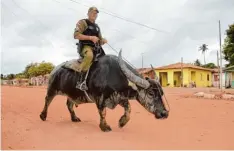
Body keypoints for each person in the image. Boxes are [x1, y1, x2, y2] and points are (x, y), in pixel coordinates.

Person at [73, 6, 107, 90]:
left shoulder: (97, 27)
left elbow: (99, 40)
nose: (94, 15)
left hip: (96, 49)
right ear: (88, 13)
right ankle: (80, 81)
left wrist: (102, 40)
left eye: (96, 14)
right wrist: (91, 38)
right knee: (89, 56)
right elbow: (76, 35)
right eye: (92, 13)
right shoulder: (83, 22)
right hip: (85, 47)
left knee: (106, 61)